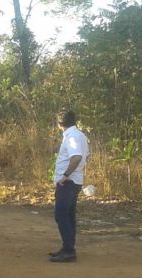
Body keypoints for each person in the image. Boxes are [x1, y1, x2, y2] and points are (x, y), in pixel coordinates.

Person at [49, 109, 89, 262]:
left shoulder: (72, 136)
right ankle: (67, 247)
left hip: (68, 182)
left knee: (60, 214)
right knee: (69, 215)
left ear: (59, 124)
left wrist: (65, 176)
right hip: (75, 181)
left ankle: (68, 250)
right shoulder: (80, 135)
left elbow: (77, 157)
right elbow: (85, 155)